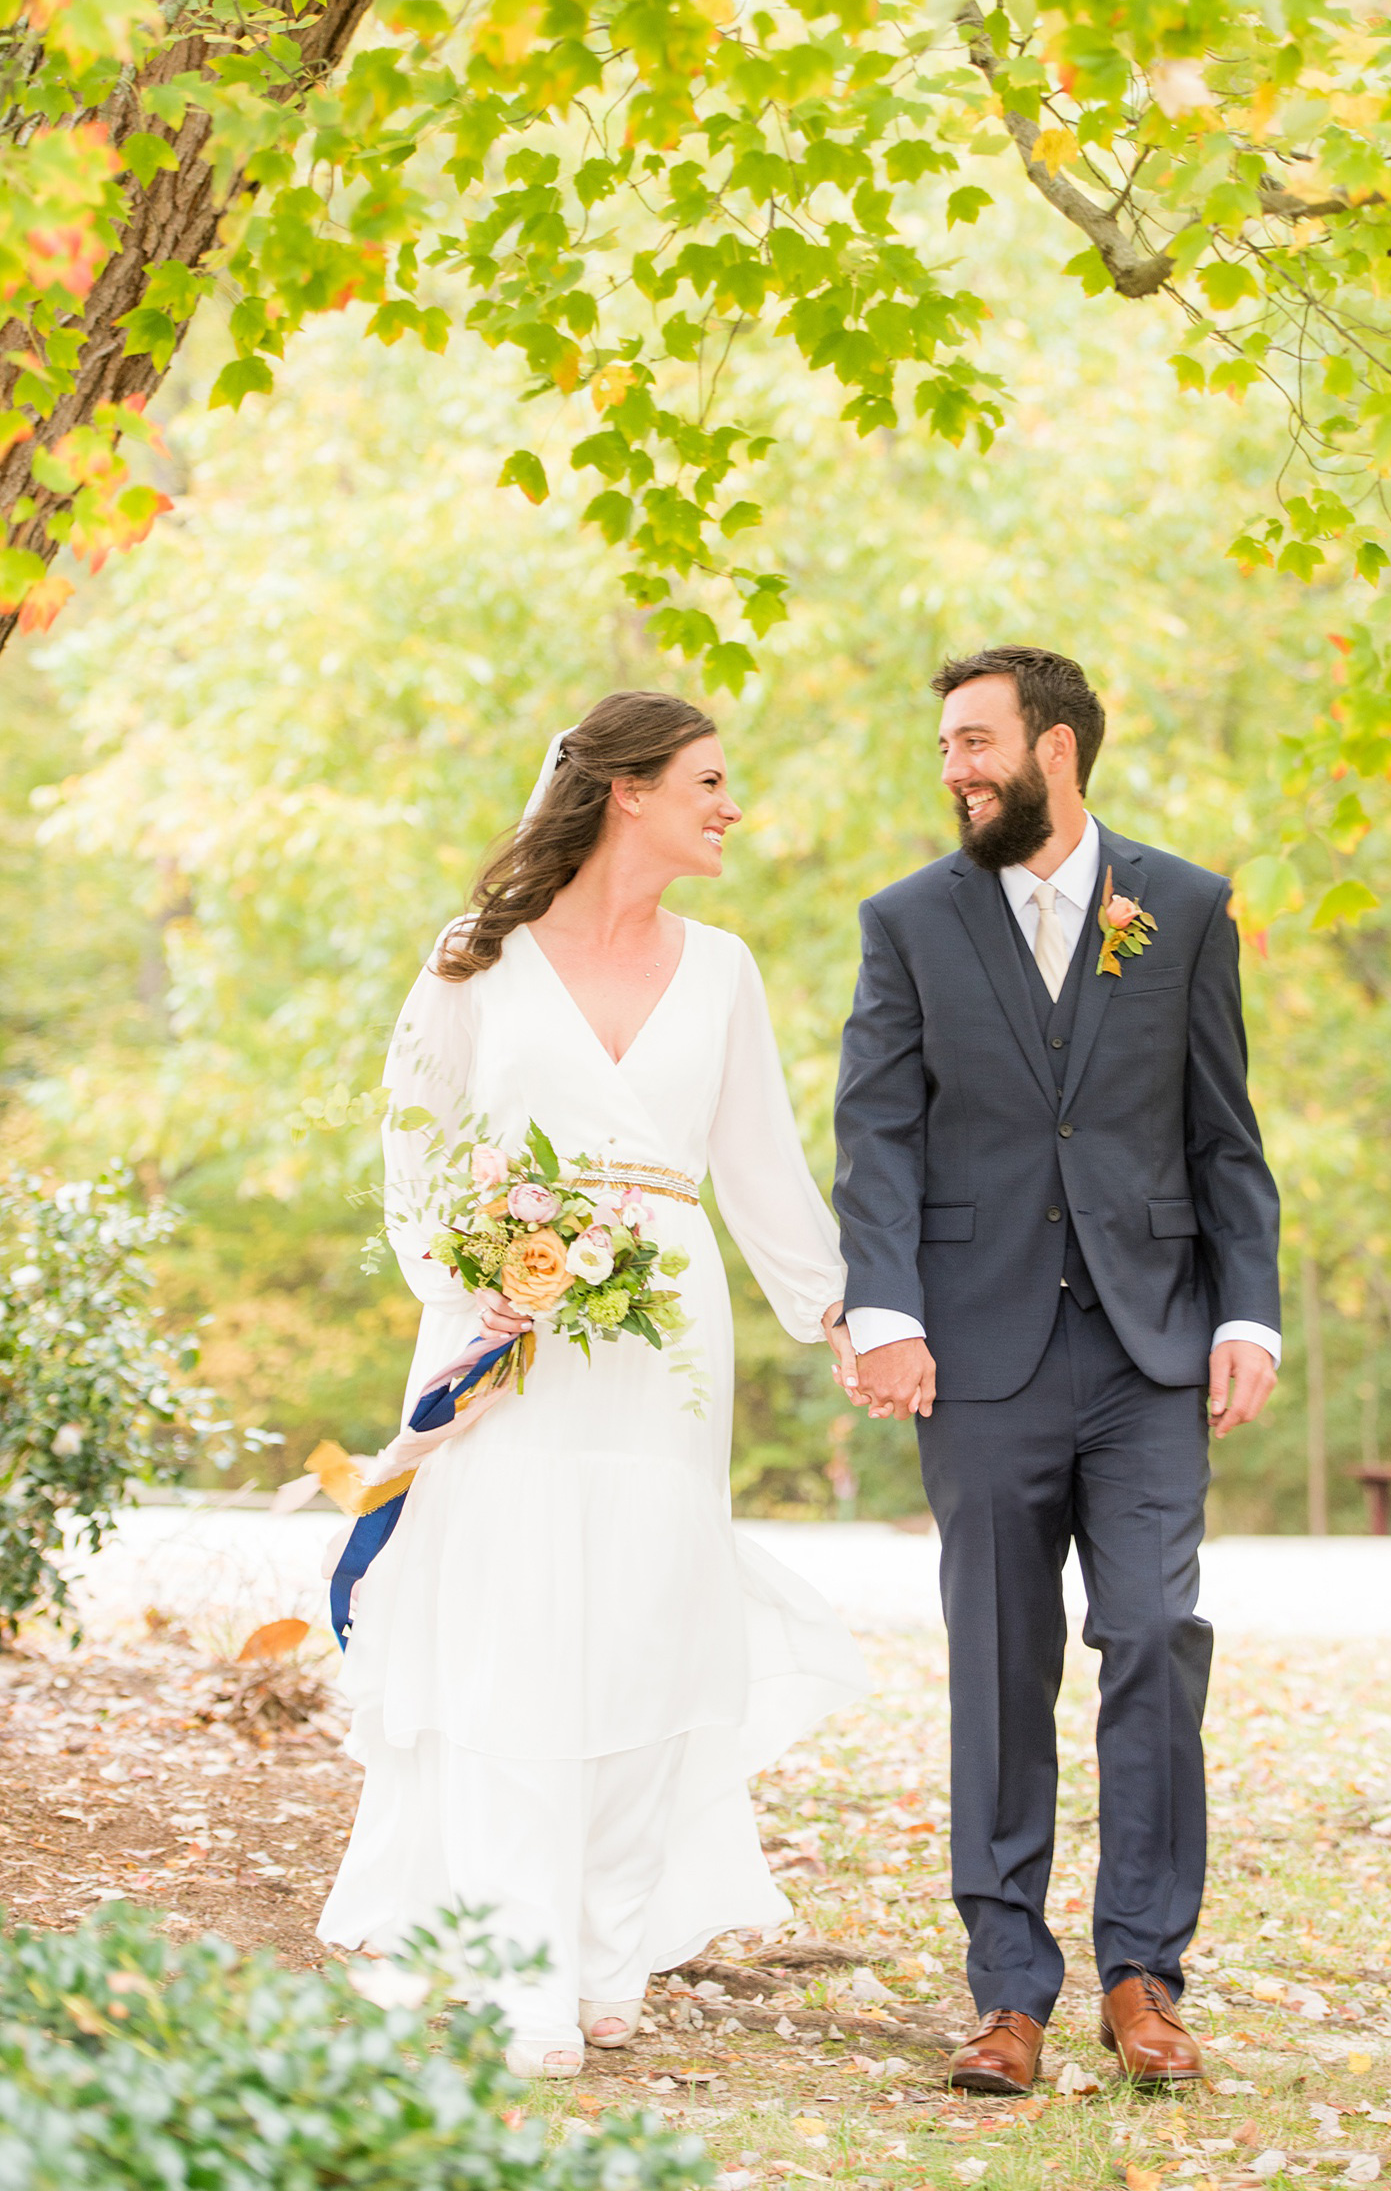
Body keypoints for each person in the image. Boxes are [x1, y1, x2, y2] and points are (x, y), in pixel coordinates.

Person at [318, 691, 867, 2078]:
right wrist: (468, 1278)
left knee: (643, 1623)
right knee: (511, 1622)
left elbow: (760, 1164)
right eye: (710, 780)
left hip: (669, 1343)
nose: (732, 806)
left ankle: (606, 1947)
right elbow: (412, 1149)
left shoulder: (725, 968)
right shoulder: (475, 961)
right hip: (512, 1336)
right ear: (627, 789)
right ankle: (512, 1961)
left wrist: (843, 1316)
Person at [833, 646, 1280, 2095]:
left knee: (1153, 1636)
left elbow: (1225, 1133)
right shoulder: (907, 922)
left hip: (1151, 1345)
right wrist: (885, 1306)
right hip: (977, 1349)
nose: (955, 766)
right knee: (1001, 1662)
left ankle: (1143, 1973)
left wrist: (1247, 1313)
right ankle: (1009, 1992)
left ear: (1059, 747)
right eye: (948, 743)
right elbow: (879, 1131)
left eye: (976, 740)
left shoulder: (1185, 906)